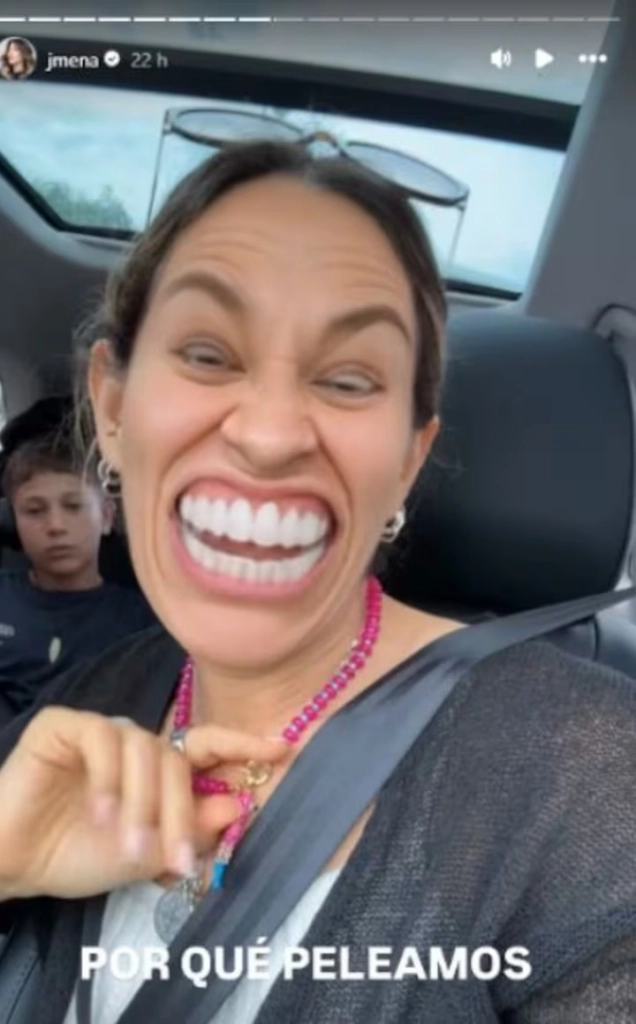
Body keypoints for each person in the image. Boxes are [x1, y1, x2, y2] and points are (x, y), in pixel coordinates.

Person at [0, 138, 634, 1024]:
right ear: (111, 407)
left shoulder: (593, 781)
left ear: (408, 460)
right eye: (208, 355)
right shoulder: (76, 710)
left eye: (347, 379)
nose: (269, 437)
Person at [0, 397, 156, 713]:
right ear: (14, 521)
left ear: (107, 516)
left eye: (74, 506)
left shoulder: (139, 620)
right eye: (34, 511)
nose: (56, 526)